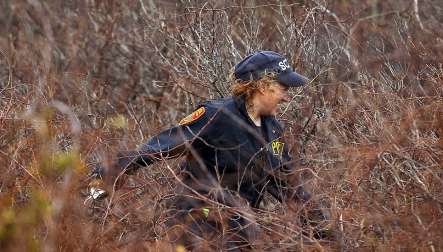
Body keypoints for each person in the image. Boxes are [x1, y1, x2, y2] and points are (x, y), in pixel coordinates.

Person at [89, 51, 330, 251]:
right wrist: (95, 187)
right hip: (198, 221)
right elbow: (156, 149)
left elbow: (290, 186)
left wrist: (325, 231)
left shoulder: (274, 131)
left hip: (241, 229)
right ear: (262, 87)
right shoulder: (216, 115)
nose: (287, 97)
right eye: (283, 88)